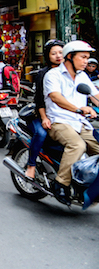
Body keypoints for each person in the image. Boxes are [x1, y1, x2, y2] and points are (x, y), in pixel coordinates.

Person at [43, 40, 99, 205]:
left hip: (80, 123)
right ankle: (61, 183)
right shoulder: (53, 75)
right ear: (69, 57)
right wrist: (78, 109)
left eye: (87, 58)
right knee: (78, 145)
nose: (86, 61)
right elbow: (56, 97)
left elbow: (95, 96)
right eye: (82, 57)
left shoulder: (83, 76)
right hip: (59, 121)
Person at [25, 40, 65, 179]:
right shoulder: (44, 74)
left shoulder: (68, 73)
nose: (58, 56)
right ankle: (31, 165)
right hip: (41, 114)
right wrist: (44, 118)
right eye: (53, 53)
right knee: (41, 134)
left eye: (61, 52)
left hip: (62, 115)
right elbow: (40, 100)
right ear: (48, 55)